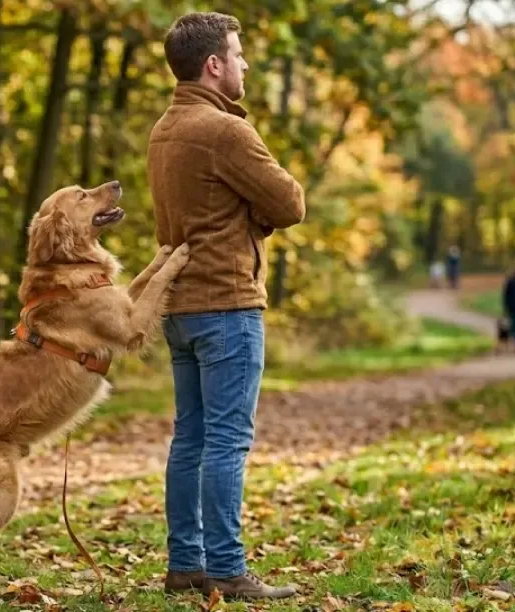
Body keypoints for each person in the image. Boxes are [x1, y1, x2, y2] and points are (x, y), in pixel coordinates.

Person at [146, 11, 305, 601]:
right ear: (214, 65)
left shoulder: (165, 129)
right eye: (239, 55)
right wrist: (256, 215)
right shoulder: (226, 132)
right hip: (227, 304)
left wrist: (246, 212)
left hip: (180, 308)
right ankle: (228, 570)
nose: (246, 65)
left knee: (190, 438)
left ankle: (186, 563)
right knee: (227, 441)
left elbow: (205, 211)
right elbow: (289, 203)